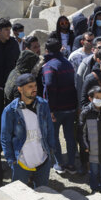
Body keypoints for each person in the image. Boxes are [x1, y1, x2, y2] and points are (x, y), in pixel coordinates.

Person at [0, 73, 54, 188]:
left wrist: (51, 150)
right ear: (20, 89)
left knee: (43, 192)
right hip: (21, 162)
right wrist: (12, 161)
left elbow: (50, 129)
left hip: (43, 159)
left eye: (35, 85)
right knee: (20, 195)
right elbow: (5, 137)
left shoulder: (43, 105)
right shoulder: (10, 111)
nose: (34, 89)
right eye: (30, 86)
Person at [42, 38, 78, 174]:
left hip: (56, 110)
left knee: (55, 136)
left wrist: (50, 109)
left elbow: (50, 87)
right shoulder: (68, 63)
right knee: (69, 136)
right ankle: (71, 164)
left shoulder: (48, 66)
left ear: (46, 50)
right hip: (71, 106)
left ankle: (59, 164)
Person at [75, 36, 101, 104]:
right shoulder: (85, 65)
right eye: (100, 48)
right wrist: (80, 106)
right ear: (93, 50)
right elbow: (79, 86)